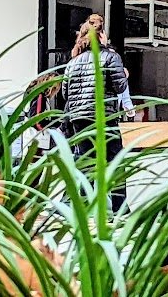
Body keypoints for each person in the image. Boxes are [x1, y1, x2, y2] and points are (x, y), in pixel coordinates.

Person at [63, 14, 131, 213]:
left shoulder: (73, 62)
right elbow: (120, 86)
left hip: (79, 119)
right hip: (103, 117)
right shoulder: (110, 57)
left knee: (85, 162)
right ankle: (119, 208)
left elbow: (65, 93)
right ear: (102, 36)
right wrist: (124, 74)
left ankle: (84, 208)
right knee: (115, 161)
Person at [24, 73, 63, 155]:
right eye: (55, 88)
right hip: (37, 139)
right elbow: (37, 121)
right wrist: (56, 123)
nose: (55, 92)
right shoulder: (40, 97)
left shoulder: (32, 94)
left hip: (30, 137)